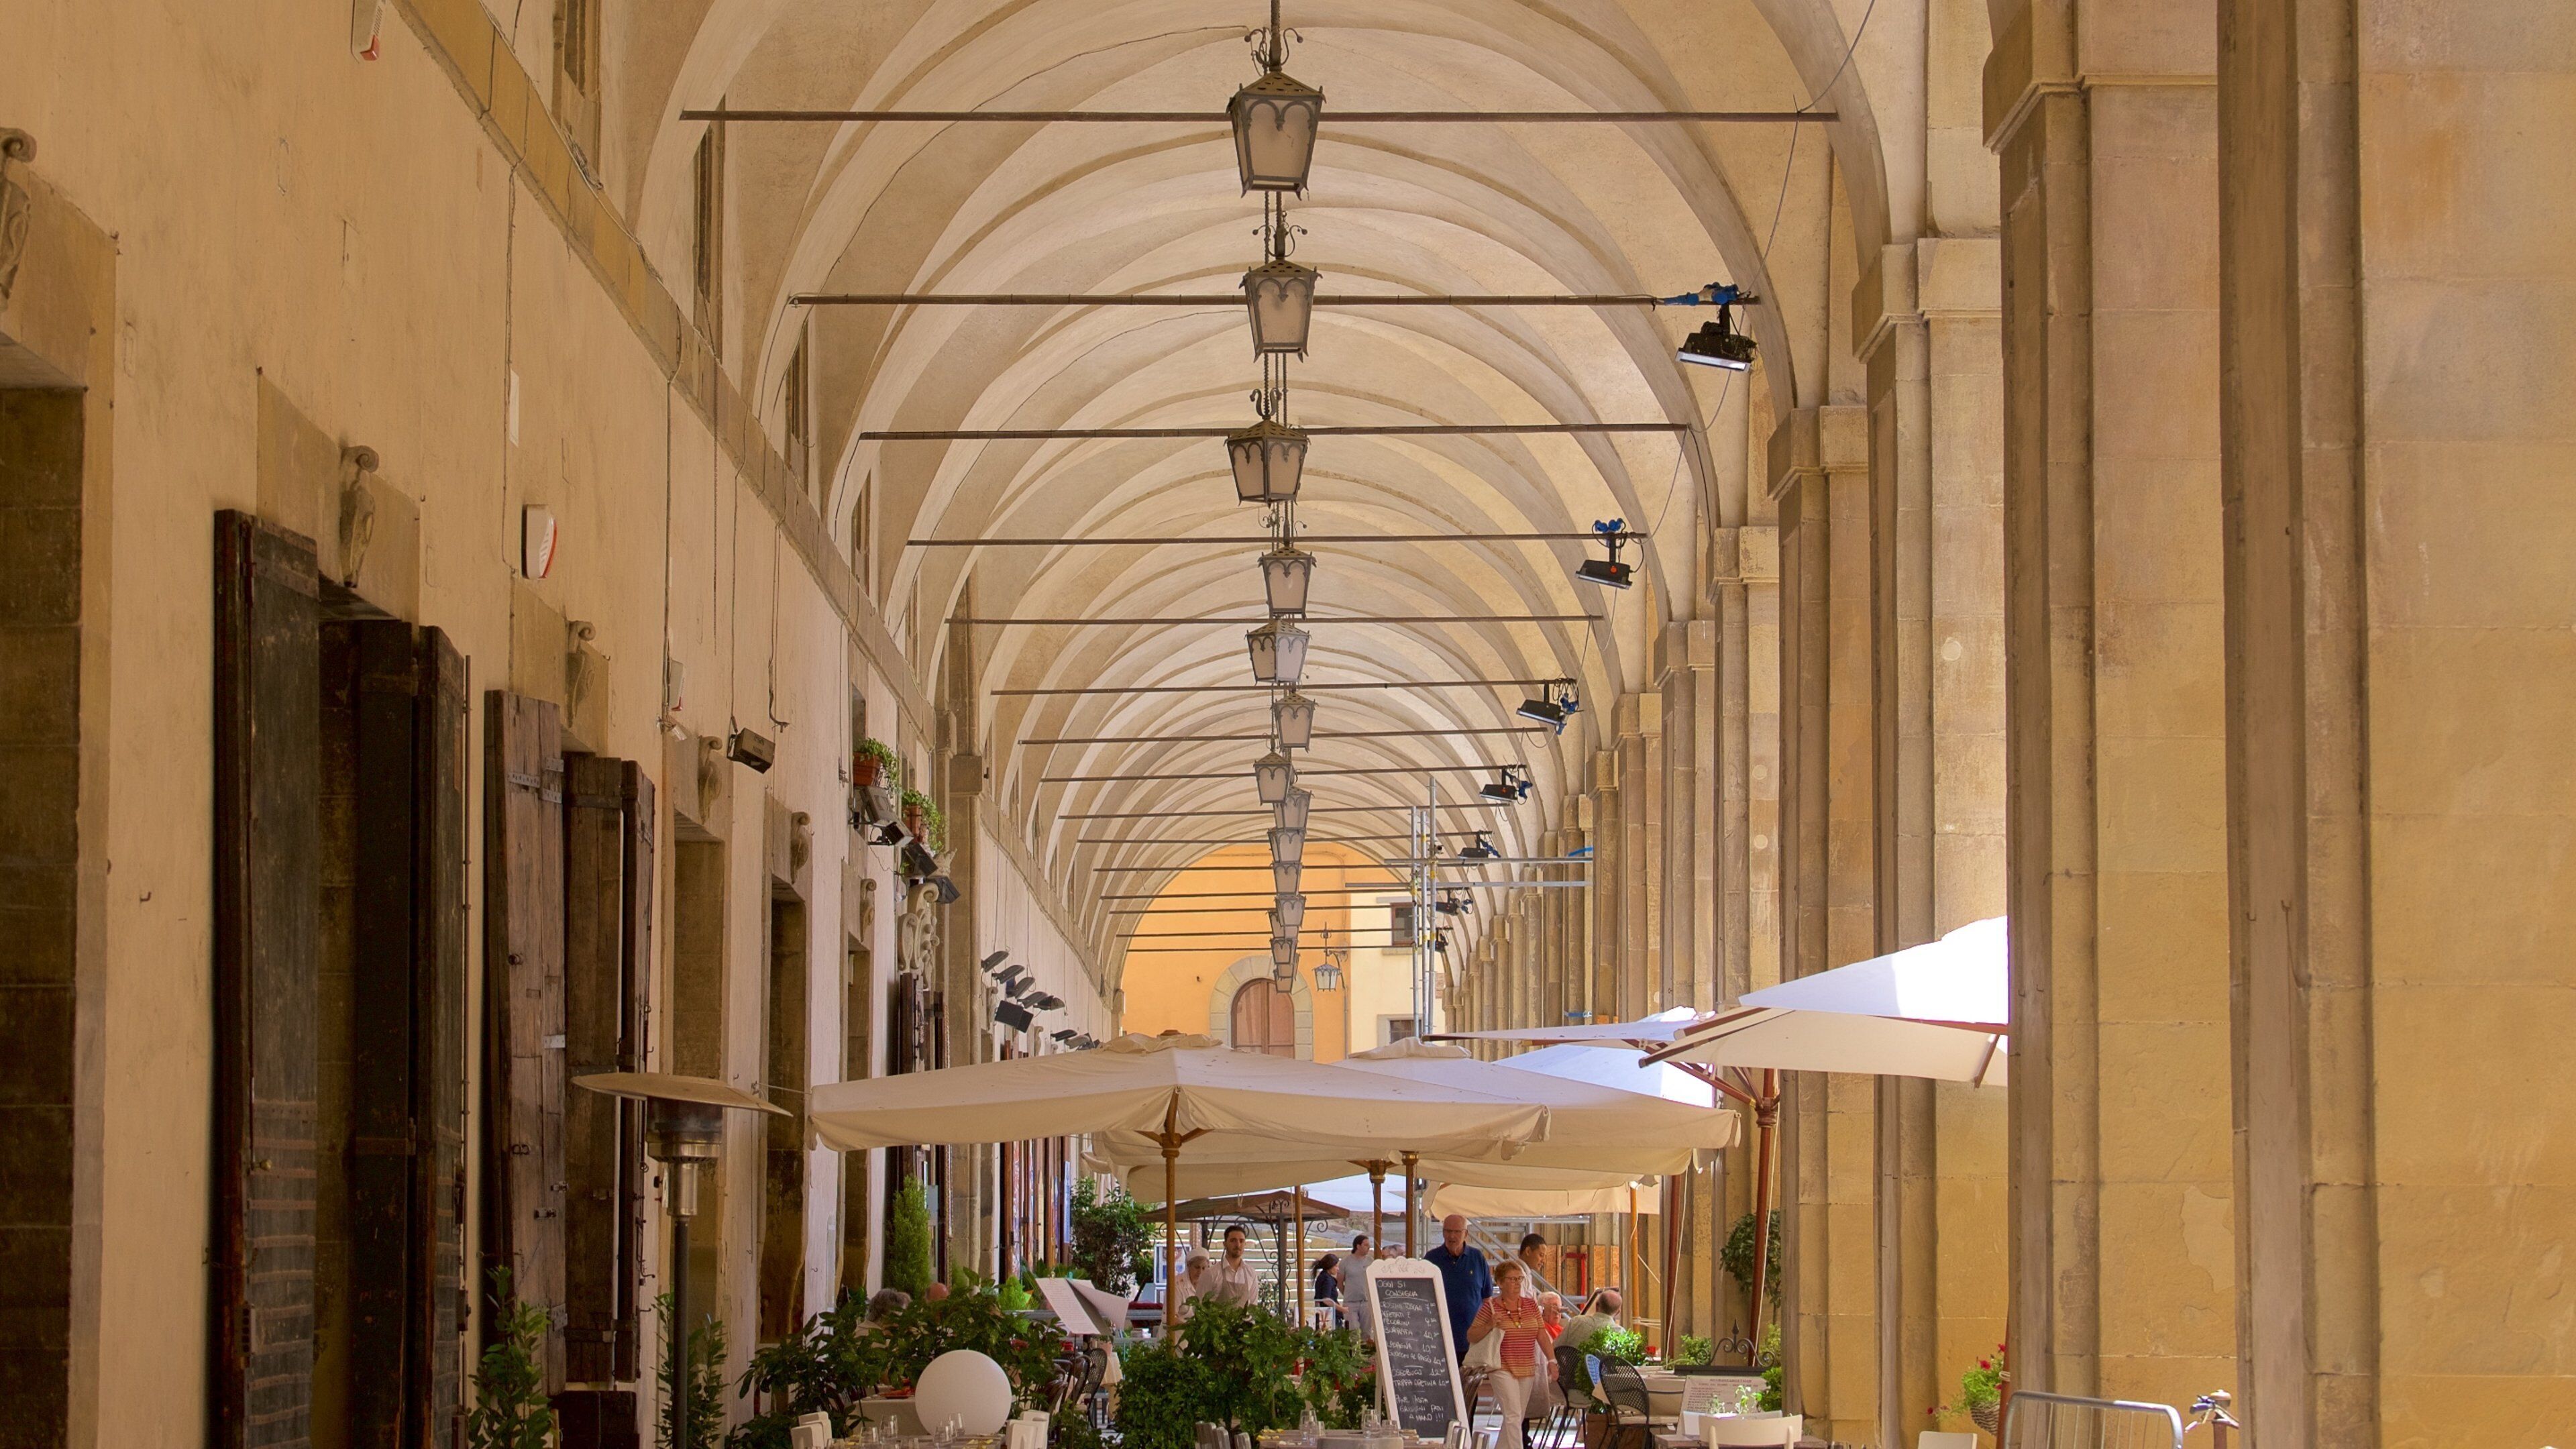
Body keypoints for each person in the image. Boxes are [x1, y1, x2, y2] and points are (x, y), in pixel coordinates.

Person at [1465, 1259, 1550, 1449]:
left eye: (1519, 1279)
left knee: (1517, 1416)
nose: (1517, 1283)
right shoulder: (1491, 1307)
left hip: (1526, 1367)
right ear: (1501, 1283)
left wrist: (1551, 1360)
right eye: (1512, 1279)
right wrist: (1489, 1325)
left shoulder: (1531, 1305)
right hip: (1501, 1367)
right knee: (1512, 1414)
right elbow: (1471, 1335)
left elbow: (1541, 1334)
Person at [1422, 1214, 1493, 1357]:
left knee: (1470, 1379)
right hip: (1438, 1338)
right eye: (1448, 1231)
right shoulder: (1431, 1259)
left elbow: (1487, 1299)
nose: (1452, 1236)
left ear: (1466, 1233)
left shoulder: (1477, 1258)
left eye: (1457, 1232)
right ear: (1443, 1232)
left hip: (1472, 1339)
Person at [1206, 1224, 1263, 1308]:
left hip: (1245, 1321)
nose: (1238, 1245)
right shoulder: (1212, 1273)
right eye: (1233, 1241)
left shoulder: (1251, 1273)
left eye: (1241, 1241)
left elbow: (1253, 1307)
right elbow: (1201, 1306)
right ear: (1225, 1244)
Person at [1558, 1286, 1621, 1356]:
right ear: (1618, 1312)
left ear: (1597, 1305)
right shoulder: (1620, 1333)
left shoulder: (1576, 1322)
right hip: (1603, 1368)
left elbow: (1555, 1348)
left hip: (1570, 1367)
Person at [1168, 1249, 1212, 1325]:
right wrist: (1188, 1327)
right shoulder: (1177, 1285)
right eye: (1197, 1267)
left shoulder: (1208, 1285)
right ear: (1188, 1266)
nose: (1200, 1272)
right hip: (1174, 1333)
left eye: (1204, 1268)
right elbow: (1170, 1317)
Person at [1345, 1234, 1376, 1338]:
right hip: (1351, 1301)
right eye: (1366, 1245)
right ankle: (1354, 1351)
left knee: (1366, 1330)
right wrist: (1347, 1292)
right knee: (1353, 1329)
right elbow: (1340, 1281)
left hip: (1366, 1301)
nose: (1369, 1247)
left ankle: (1366, 1350)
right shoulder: (1346, 1262)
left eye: (1369, 1245)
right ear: (1358, 1246)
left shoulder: (1370, 1261)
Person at [1312, 1252, 1344, 1326]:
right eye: (1336, 1266)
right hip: (1331, 1315)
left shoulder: (1321, 1277)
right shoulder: (1327, 1280)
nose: (1338, 1269)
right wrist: (1342, 1309)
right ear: (1330, 1266)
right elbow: (1326, 1299)